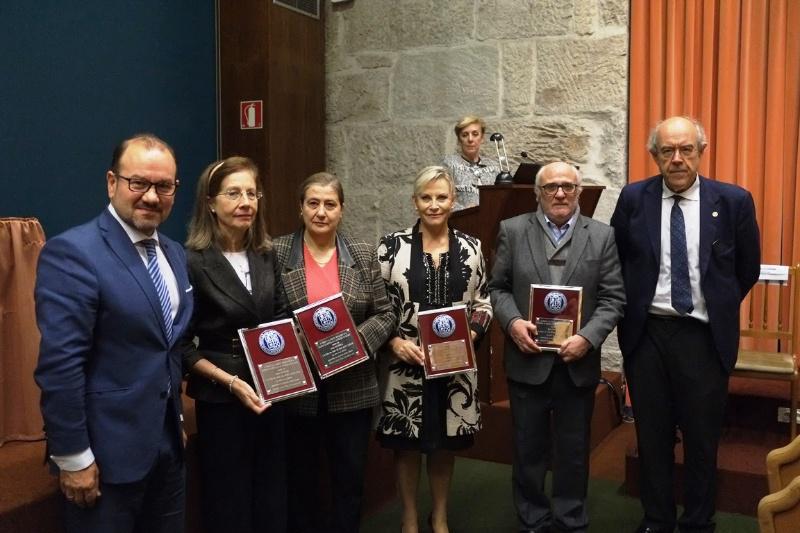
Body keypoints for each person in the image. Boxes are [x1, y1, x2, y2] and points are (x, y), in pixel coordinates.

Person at [33, 134, 193, 532]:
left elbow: (168, 347)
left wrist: (174, 420)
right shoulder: (74, 253)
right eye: (138, 183)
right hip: (104, 460)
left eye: (164, 186)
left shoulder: (174, 253)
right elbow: (60, 366)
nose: (151, 197)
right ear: (111, 182)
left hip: (167, 449)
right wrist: (73, 457)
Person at [610, 116, 761, 533]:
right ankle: (656, 519)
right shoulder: (633, 199)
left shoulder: (733, 201)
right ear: (654, 156)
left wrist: (718, 305)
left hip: (703, 337)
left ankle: (697, 522)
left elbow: (746, 269)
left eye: (686, 149)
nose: (677, 159)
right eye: (667, 151)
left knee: (701, 439)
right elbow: (617, 261)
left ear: (701, 152)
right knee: (652, 437)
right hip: (647, 336)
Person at [488, 161, 625, 533]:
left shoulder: (602, 236)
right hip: (527, 361)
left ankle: (570, 519)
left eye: (568, 186)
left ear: (579, 191)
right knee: (527, 450)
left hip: (576, 364)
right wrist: (512, 323)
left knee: (573, 451)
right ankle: (532, 520)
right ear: (538, 193)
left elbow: (613, 299)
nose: (560, 193)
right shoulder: (513, 231)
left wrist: (588, 338)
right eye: (551, 187)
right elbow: (497, 288)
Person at [273, 172, 395, 533]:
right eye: (313, 203)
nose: (321, 212)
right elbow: (266, 315)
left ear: (341, 209)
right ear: (300, 208)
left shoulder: (362, 253)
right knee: (300, 482)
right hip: (298, 389)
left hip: (353, 387)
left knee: (349, 481)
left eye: (330, 204)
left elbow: (385, 314)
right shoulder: (276, 252)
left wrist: (353, 342)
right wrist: (295, 337)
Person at [376, 165, 493, 533]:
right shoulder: (391, 248)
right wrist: (393, 342)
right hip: (404, 365)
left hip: (454, 366)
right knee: (406, 445)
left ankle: (439, 515)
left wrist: (470, 334)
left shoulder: (472, 248)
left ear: (453, 201)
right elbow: (376, 306)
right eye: (426, 197)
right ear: (415, 201)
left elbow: (484, 303)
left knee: (445, 444)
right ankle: (409, 517)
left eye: (441, 197)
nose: (434, 204)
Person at [182, 156, 287, 533]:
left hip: (273, 387)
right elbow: (181, 346)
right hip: (222, 395)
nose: (246, 202)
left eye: (252, 193)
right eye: (233, 193)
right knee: (229, 499)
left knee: (271, 492)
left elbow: (281, 315)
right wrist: (229, 381)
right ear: (210, 202)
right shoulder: (190, 261)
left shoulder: (266, 253)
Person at [441, 115, 500, 211]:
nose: (470, 139)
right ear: (459, 140)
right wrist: (466, 210)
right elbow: (441, 197)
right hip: (460, 218)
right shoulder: (448, 164)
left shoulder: (494, 167)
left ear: (482, 138)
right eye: (464, 135)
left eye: (475, 134)